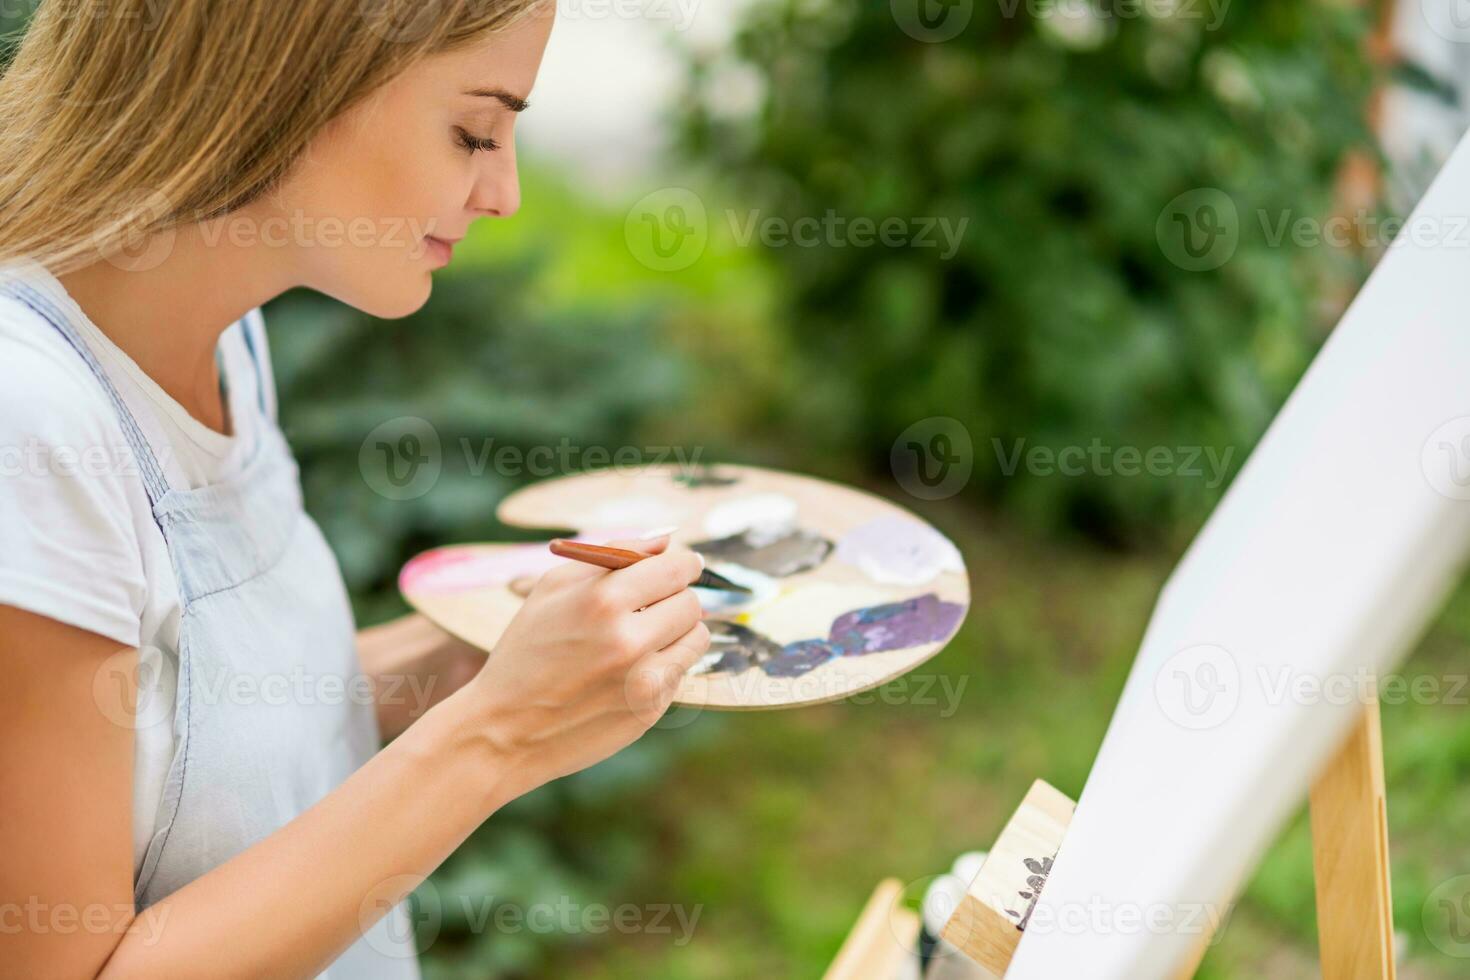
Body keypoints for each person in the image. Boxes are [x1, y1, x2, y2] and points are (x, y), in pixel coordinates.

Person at [0, 2, 711, 976]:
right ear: (289, 74)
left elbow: (190, 739)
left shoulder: (222, 338)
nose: (503, 191)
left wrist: (456, 658)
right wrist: (497, 731)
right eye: (474, 130)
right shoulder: (33, 423)